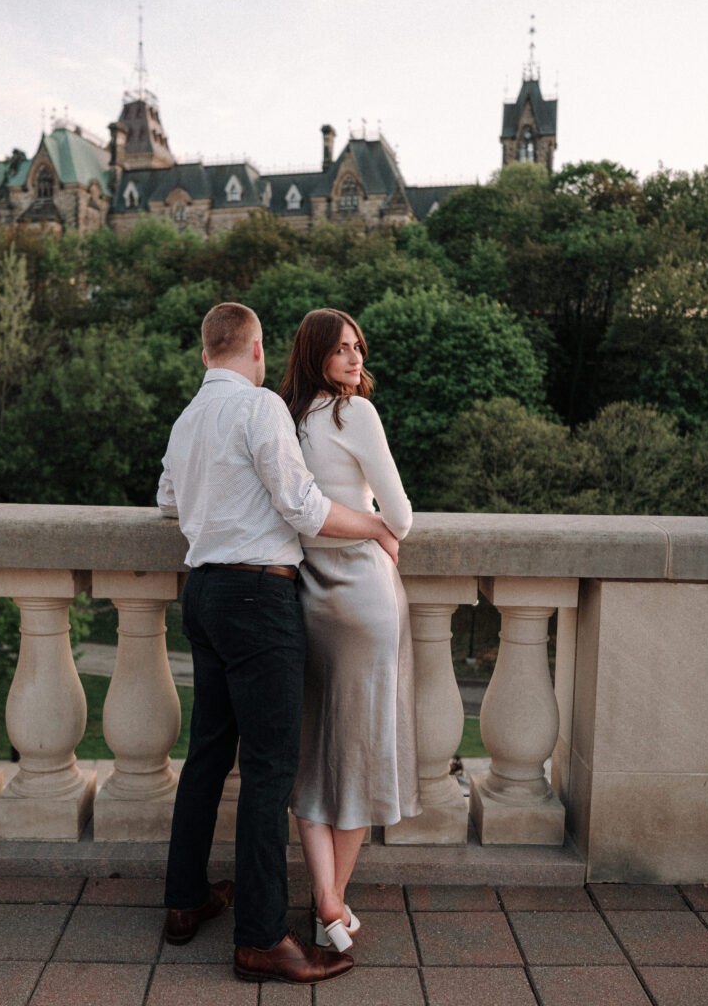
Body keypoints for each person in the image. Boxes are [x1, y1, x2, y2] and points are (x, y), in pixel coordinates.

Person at [156, 302, 399, 985]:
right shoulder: (260, 408)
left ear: (208, 351)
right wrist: (376, 529)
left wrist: (219, 504)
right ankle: (261, 939)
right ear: (257, 349)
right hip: (256, 598)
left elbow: (167, 500)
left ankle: (183, 902)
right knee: (268, 768)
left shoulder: (187, 418)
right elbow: (303, 508)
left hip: (202, 593)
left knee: (207, 754)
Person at [278, 307, 421, 952]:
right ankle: (331, 906)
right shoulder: (352, 414)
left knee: (314, 753)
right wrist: (383, 530)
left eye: (358, 348)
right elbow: (401, 515)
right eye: (341, 351)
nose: (355, 360)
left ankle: (329, 905)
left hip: (309, 595)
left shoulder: (283, 419)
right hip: (363, 597)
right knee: (360, 752)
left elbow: (299, 517)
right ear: (316, 356)